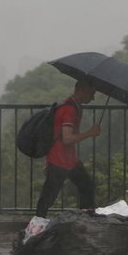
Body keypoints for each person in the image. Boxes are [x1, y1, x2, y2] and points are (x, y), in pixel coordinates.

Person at [35, 80, 101, 218]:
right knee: (49, 196)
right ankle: (37, 224)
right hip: (60, 160)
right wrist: (90, 133)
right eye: (91, 93)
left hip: (67, 159)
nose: (93, 98)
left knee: (86, 186)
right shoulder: (69, 110)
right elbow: (67, 139)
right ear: (82, 90)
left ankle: (85, 218)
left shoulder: (72, 106)